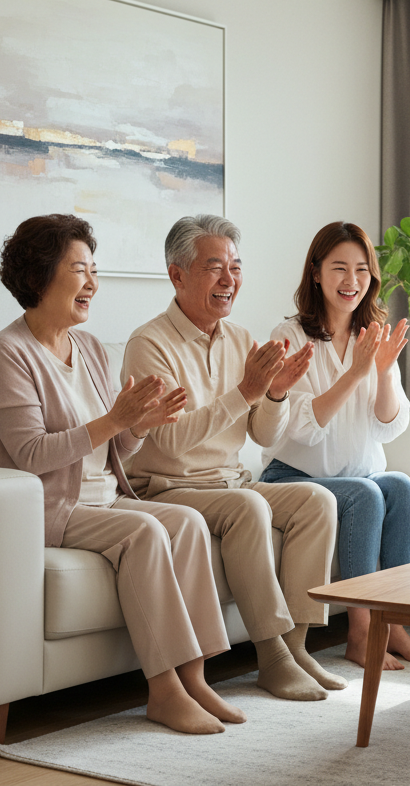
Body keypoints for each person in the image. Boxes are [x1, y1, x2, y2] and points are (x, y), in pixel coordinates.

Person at [0, 213, 243, 735]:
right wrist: (115, 419)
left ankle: (196, 677)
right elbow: (30, 454)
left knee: (185, 522)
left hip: (103, 496)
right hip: (49, 506)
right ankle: (163, 691)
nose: (93, 283)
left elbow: (116, 445)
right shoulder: (6, 355)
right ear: (40, 275)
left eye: (94, 269)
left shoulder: (92, 349)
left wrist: (140, 424)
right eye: (80, 269)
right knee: (145, 531)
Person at [122, 214, 344, 702]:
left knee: (316, 501)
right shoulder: (149, 343)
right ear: (176, 274)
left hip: (230, 480)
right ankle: (273, 658)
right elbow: (171, 442)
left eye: (236, 267)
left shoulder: (242, 340)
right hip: (169, 487)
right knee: (250, 508)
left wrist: (277, 395)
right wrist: (246, 391)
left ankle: (298, 645)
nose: (230, 280)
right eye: (215, 267)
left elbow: (262, 437)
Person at [259, 222, 410, 671]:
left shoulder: (370, 333)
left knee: (401, 486)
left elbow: (388, 426)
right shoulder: (289, 335)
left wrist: (383, 372)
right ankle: (360, 632)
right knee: (367, 493)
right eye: (339, 268)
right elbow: (300, 428)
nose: (351, 281)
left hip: (357, 473)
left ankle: (393, 623)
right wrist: (354, 373)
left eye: (361, 269)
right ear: (316, 273)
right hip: (293, 476)